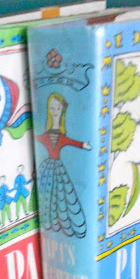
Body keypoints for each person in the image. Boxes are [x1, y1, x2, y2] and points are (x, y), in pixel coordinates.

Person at [36, 93, 91, 238]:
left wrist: (83, 145)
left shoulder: (61, 136)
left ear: (62, 111)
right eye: (52, 107)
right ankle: (50, 223)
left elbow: (71, 141)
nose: (55, 111)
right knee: (48, 196)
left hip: (57, 167)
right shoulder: (46, 135)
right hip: (48, 167)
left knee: (61, 195)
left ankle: (60, 225)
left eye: (58, 108)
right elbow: (38, 138)